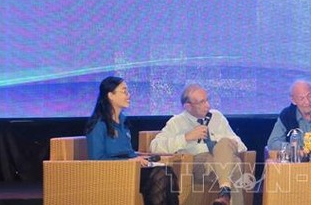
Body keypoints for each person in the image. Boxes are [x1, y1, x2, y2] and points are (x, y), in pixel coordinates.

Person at [85, 76, 178, 205]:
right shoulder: (99, 124)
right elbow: (96, 160)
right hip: (111, 173)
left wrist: (140, 159)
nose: (128, 95)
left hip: (131, 170)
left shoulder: (123, 122)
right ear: (110, 95)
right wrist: (128, 161)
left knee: (167, 172)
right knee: (160, 174)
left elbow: (129, 152)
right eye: (124, 91)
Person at [149, 84, 247, 205]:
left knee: (226, 146)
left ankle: (224, 192)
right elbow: (155, 146)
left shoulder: (217, 117)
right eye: (201, 102)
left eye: (207, 100)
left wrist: (219, 143)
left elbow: (241, 145)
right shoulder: (177, 122)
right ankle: (225, 192)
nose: (208, 105)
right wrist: (186, 137)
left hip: (221, 159)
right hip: (197, 164)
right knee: (235, 163)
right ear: (187, 106)